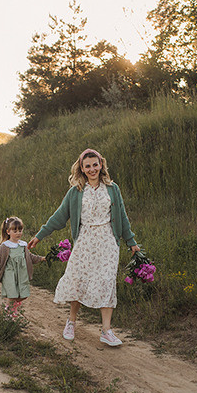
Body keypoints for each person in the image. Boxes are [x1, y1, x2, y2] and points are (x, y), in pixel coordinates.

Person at [28, 148, 139, 346]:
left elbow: (122, 217)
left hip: (107, 241)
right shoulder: (76, 192)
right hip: (85, 241)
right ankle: (71, 322)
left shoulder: (113, 189)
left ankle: (106, 330)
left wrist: (131, 241)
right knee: (78, 279)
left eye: (95, 164)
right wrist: (40, 235)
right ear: (81, 168)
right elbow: (60, 217)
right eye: (87, 166)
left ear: (101, 165)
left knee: (106, 282)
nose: (92, 169)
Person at [0, 216, 45, 318]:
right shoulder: (5, 246)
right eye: (15, 230)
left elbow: (30, 257)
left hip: (22, 274)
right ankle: (9, 313)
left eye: (20, 230)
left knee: (24, 295)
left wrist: (41, 258)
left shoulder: (23, 245)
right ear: (8, 232)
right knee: (12, 294)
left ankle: (11, 307)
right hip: (10, 274)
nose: (18, 233)